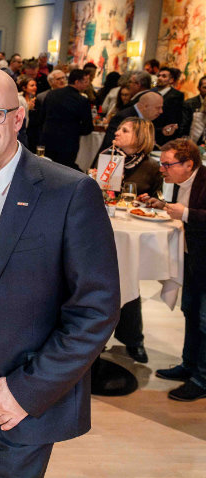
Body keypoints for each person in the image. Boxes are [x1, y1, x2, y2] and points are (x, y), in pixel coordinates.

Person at [0, 66, 120, 478]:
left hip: (23, 388)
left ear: (18, 117)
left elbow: (96, 309)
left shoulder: (69, 192)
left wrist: (28, 389)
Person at [142, 139, 206, 401]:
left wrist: (186, 213)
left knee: (205, 320)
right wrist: (162, 205)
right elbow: (183, 212)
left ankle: (202, 381)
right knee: (190, 312)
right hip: (194, 261)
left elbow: (191, 213)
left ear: (188, 164)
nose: (162, 169)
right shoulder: (181, 183)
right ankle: (189, 366)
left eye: (167, 164)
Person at [97, 118, 162, 364]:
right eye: (118, 128)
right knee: (99, 284)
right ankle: (97, 338)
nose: (117, 132)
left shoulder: (151, 167)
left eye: (124, 130)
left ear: (139, 137)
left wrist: (149, 201)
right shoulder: (107, 157)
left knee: (128, 280)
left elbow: (159, 200)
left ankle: (133, 339)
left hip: (132, 232)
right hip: (104, 229)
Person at [39, 68, 94, 168]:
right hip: (68, 143)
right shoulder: (82, 100)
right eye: (85, 82)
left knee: (46, 168)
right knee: (64, 170)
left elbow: (42, 117)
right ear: (77, 82)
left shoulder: (52, 94)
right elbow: (88, 127)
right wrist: (74, 130)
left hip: (48, 139)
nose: (87, 84)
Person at [98, 91, 164, 155]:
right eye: (158, 108)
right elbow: (113, 142)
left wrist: (163, 131)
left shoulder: (146, 118)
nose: (161, 111)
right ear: (145, 106)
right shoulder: (124, 117)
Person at [153, 66, 185, 145]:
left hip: (165, 136)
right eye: (159, 76)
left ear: (171, 80)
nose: (160, 78)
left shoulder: (176, 96)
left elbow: (174, 118)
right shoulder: (152, 92)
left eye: (164, 76)